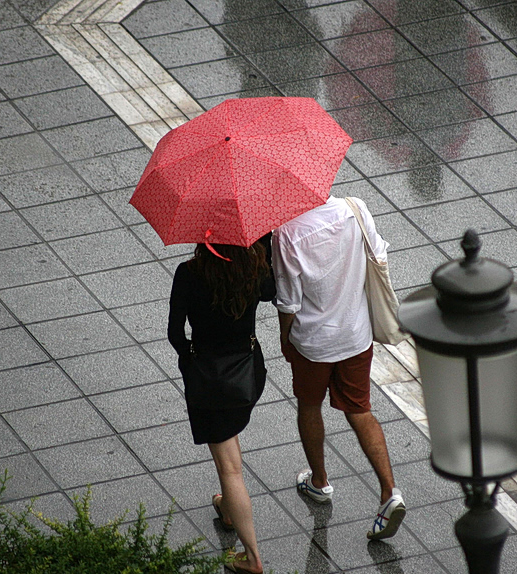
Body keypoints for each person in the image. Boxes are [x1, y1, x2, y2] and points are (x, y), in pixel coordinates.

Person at [272, 196, 406, 540]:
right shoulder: (355, 208)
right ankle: (390, 492)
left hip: (314, 343)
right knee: (360, 410)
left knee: (309, 406)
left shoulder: (286, 234)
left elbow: (289, 301)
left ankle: (319, 482)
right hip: (356, 334)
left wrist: (285, 339)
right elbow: (379, 255)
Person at [168, 237, 275, 574]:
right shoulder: (254, 269)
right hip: (247, 374)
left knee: (229, 468)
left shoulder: (189, 273)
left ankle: (251, 556)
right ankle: (228, 509)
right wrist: (265, 244)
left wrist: (190, 361)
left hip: (211, 382)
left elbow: (175, 332)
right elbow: (272, 293)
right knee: (228, 438)